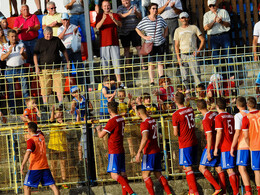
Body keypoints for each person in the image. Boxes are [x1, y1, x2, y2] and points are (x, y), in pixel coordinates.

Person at [95, 101, 137, 195]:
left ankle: (131, 193)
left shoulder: (112, 121)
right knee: (123, 174)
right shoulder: (121, 119)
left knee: (114, 175)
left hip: (114, 150)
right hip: (120, 149)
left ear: (109, 110)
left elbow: (101, 135)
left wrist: (98, 130)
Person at [135, 105, 172, 195]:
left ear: (139, 113)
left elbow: (145, 137)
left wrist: (139, 151)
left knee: (145, 175)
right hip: (156, 150)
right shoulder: (152, 120)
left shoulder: (144, 124)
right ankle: (169, 193)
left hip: (149, 152)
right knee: (158, 174)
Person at [33, 26, 70, 112]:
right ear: (44, 34)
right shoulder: (40, 41)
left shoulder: (57, 40)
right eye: (47, 35)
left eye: (50, 34)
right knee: (45, 87)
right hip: (44, 68)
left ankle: (61, 103)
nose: (49, 36)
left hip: (57, 68)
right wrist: (36, 66)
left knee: (59, 86)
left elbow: (64, 50)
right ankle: (45, 105)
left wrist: (68, 61)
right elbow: (35, 54)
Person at [21, 122, 60, 195]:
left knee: (26, 186)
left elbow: (27, 153)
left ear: (28, 130)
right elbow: (38, 130)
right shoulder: (41, 137)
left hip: (35, 167)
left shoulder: (31, 140)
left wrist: (22, 164)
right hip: (44, 166)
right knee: (52, 185)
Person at [172, 92, 199, 195]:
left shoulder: (176, 114)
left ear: (175, 101)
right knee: (186, 167)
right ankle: (191, 191)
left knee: (188, 167)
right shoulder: (190, 109)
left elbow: (175, 133)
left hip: (185, 143)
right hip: (193, 140)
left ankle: (195, 192)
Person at [136, 3, 168, 86]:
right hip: (150, 45)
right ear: (149, 10)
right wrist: (144, 36)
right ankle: (152, 81)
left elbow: (166, 26)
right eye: (153, 8)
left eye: (156, 8)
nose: (155, 10)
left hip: (160, 43)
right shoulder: (145, 20)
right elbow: (137, 28)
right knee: (151, 63)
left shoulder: (160, 18)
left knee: (160, 62)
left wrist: (164, 35)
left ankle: (161, 79)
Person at [197, 99, 223, 195]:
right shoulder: (214, 114)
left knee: (202, 168)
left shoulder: (206, 119)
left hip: (211, 146)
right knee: (218, 167)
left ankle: (217, 188)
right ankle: (223, 191)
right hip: (219, 144)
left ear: (198, 109)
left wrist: (208, 151)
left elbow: (209, 135)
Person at [214, 97, 239, 195]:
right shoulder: (230, 116)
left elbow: (219, 132)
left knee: (230, 170)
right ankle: (236, 192)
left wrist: (216, 147)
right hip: (233, 144)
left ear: (217, 106)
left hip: (226, 146)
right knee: (234, 170)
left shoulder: (218, 117)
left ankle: (235, 192)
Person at [96, 0, 124, 87]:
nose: (106, 7)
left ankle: (119, 82)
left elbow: (120, 24)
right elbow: (97, 26)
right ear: (102, 7)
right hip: (104, 43)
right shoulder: (99, 16)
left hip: (114, 42)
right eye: (104, 6)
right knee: (105, 63)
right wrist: (103, 19)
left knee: (116, 62)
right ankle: (106, 83)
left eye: (108, 6)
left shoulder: (115, 15)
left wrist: (113, 19)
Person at [1, 29, 29, 115]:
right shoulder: (4, 46)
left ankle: (27, 111)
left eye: (15, 36)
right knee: (11, 91)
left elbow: (25, 57)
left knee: (25, 90)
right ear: (8, 37)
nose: (14, 38)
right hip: (9, 69)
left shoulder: (21, 44)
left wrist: (22, 54)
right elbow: (2, 58)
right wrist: (9, 51)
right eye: (12, 36)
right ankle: (12, 112)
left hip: (21, 68)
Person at [174, 12, 204, 91]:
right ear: (180, 19)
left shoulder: (194, 27)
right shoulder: (177, 30)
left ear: (188, 18)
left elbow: (202, 39)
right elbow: (176, 45)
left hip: (192, 54)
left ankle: (199, 92)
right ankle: (186, 93)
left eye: (185, 17)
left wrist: (198, 50)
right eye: (182, 18)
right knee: (184, 76)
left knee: (196, 75)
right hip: (183, 55)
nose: (184, 19)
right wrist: (178, 57)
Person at [203, 0, 232, 76]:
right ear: (208, 7)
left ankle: (231, 75)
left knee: (228, 55)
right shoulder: (206, 15)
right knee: (215, 56)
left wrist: (221, 22)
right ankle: (217, 75)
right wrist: (213, 22)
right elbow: (205, 28)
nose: (212, 7)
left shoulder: (223, 12)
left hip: (224, 35)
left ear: (216, 4)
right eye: (210, 6)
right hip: (213, 37)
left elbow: (228, 24)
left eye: (213, 5)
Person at [230, 97, 251, 194]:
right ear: (246, 104)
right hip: (253, 143)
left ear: (237, 106)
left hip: (243, 144)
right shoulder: (251, 113)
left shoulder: (238, 116)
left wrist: (232, 146)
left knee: (241, 168)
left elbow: (237, 132)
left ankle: (248, 191)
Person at [57, 13, 83, 85]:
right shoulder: (60, 29)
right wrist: (65, 29)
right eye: (64, 20)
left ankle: (81, 85)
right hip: (65, 50)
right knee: (67, 69)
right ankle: (68, 86)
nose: (66, 21)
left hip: (75, 49)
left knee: (79, 68)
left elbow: (78, 38)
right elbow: (59, 38)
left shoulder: (74, 27)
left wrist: (75, 33)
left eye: (67, 20)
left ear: (69, 19)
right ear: (62, 20)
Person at [242, 97, 260, 195]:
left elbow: (245, 136)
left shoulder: (246, 117)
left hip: (255, 146)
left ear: (247, 106)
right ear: (256, 104)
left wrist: (250, 146)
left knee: (257, 171)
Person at [48, 105, 68, 189]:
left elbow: (66, 130)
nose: (59, 116)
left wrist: (61, 122)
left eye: (61, 114)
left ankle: (64, 182)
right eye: (58, 114)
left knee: (63, 165)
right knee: (53, 166)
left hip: (62, 147)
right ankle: (53, 183)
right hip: (52, 147)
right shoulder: (52, 122)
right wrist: (52, 111)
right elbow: (51, 120)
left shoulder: (64, 122)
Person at [117, 0, 142, 66]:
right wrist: (129, 13)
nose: (125, 2)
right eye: (123, 0)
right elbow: (120, 16)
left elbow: (140, 16)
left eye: (126, 0)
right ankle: (128, 65)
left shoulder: (135, 6)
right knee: (126, 48)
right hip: (124, 32)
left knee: (138, 47)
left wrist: (136, 12)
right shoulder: (120, 8)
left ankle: (142, 64)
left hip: (135, 30)